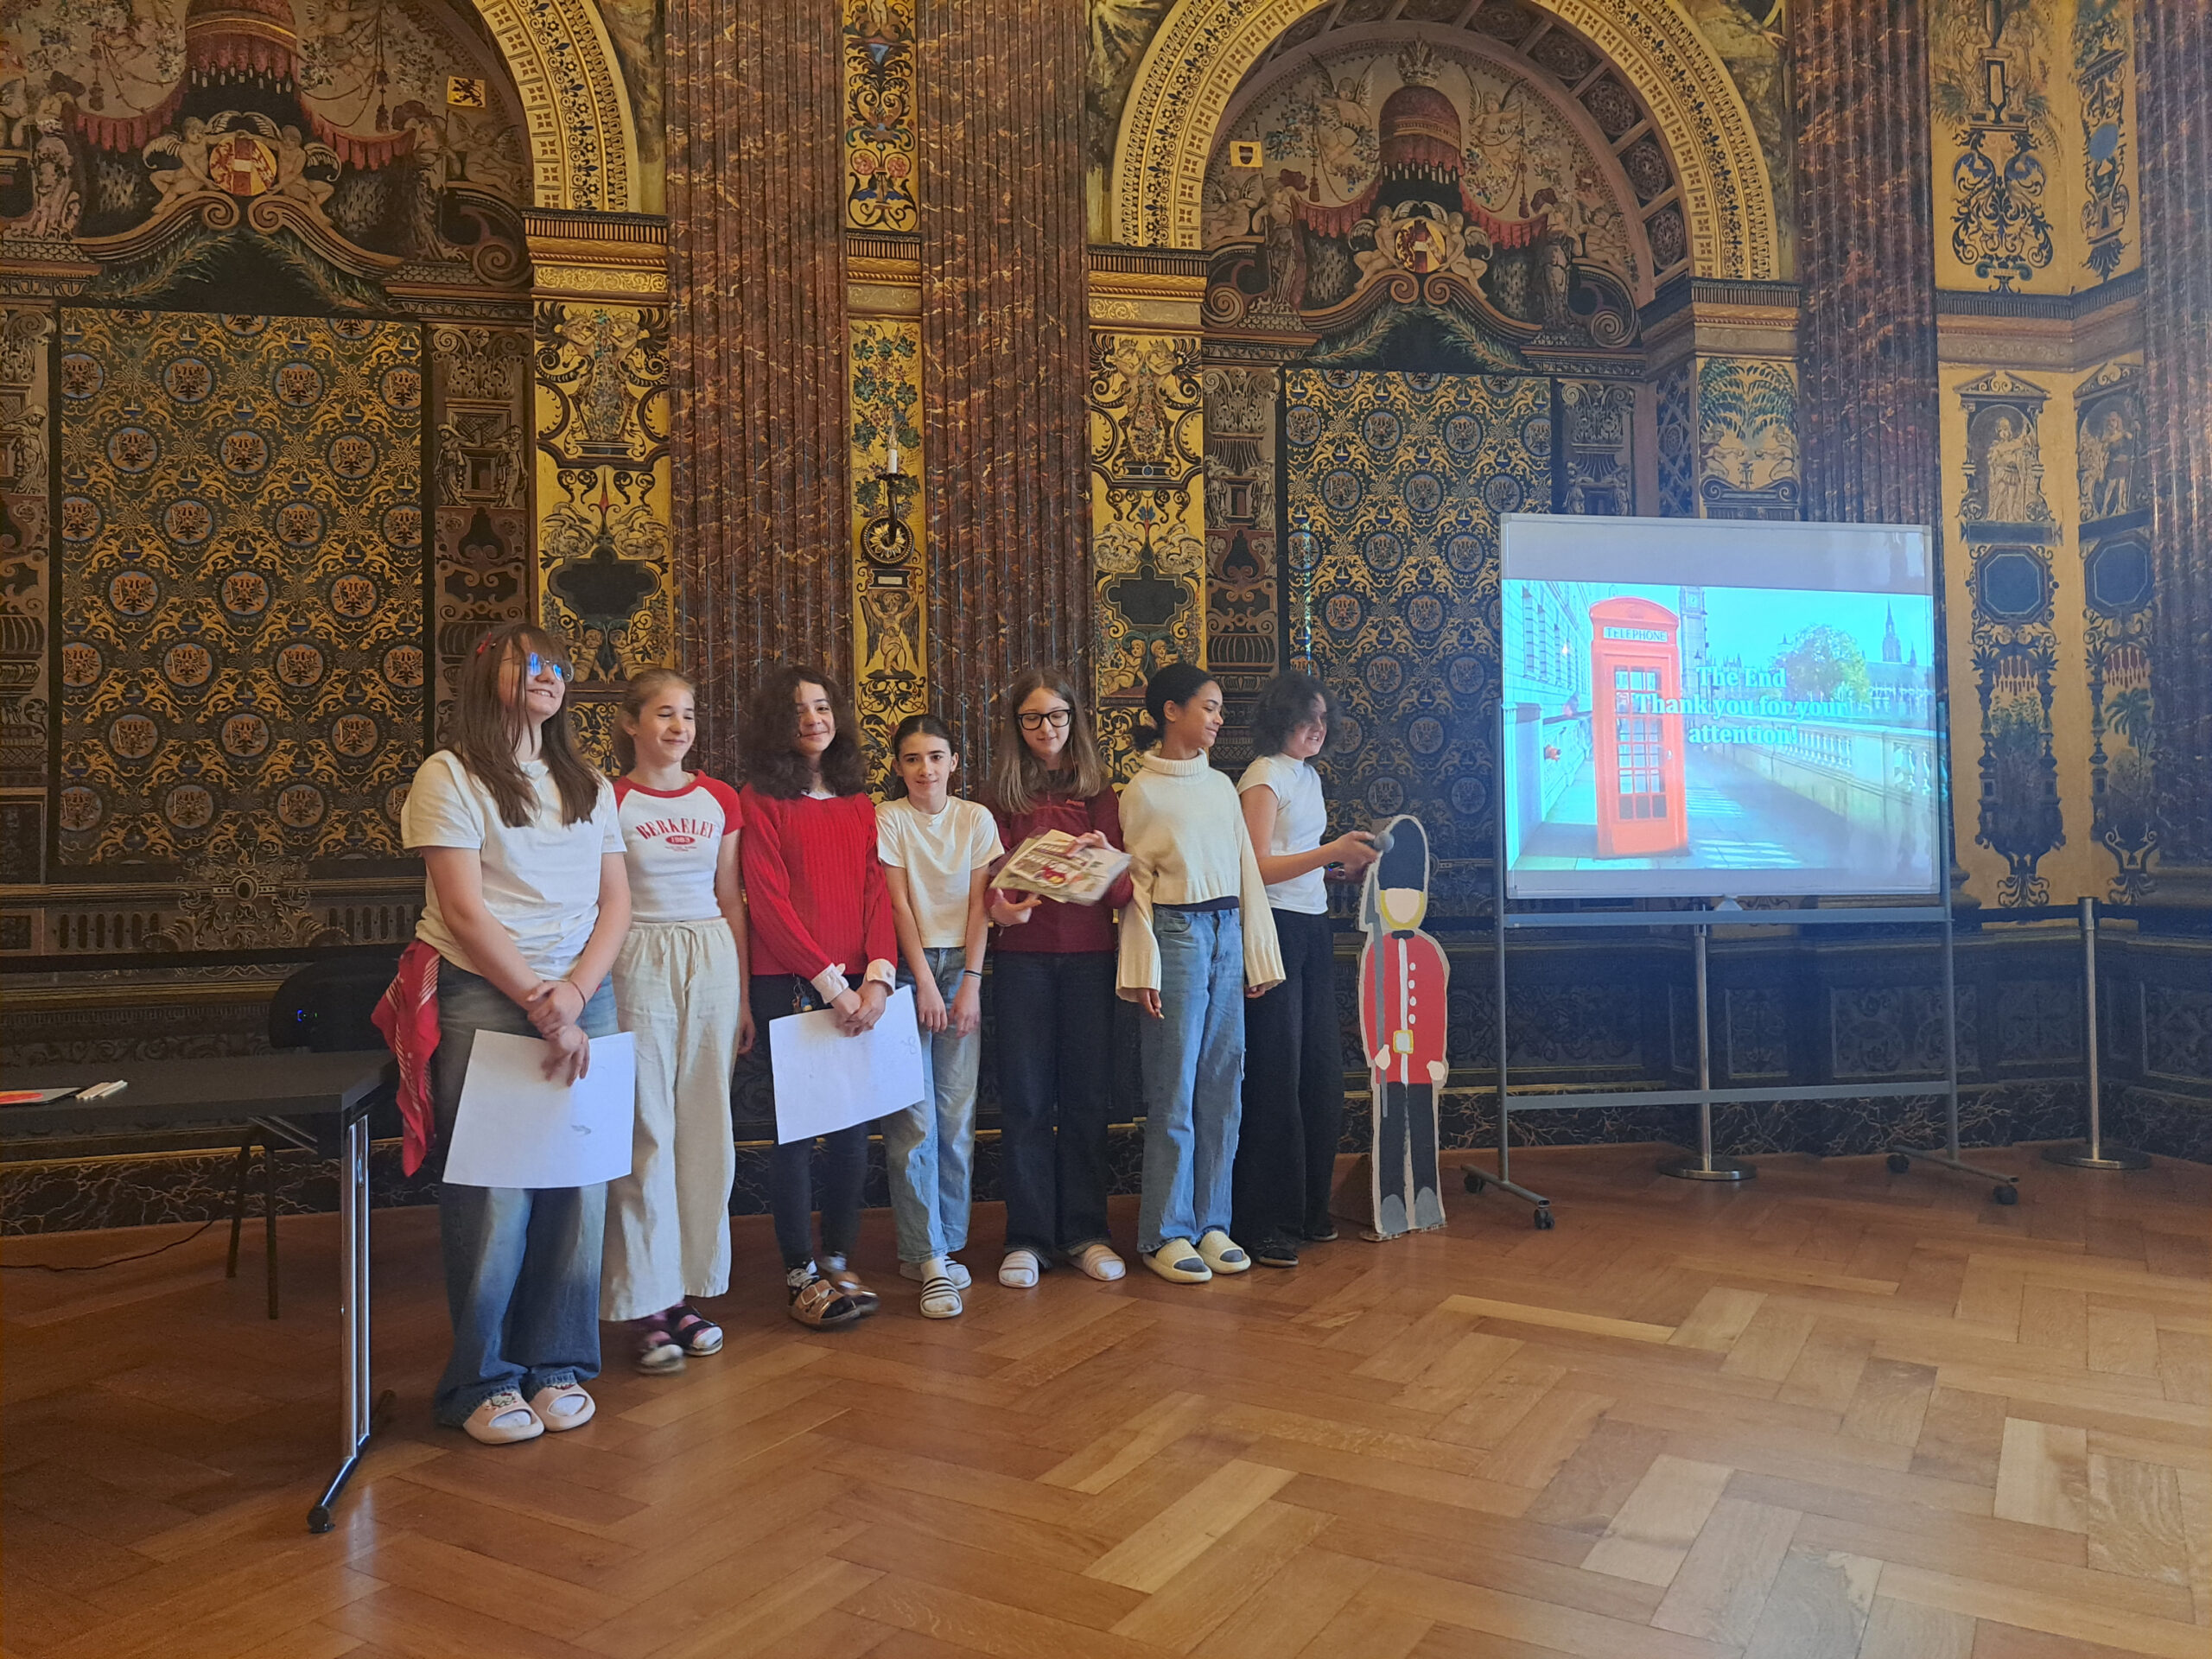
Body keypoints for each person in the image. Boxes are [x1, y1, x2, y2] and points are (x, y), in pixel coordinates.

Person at [401, 622, 630, 1445]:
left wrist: (576, 993)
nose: (548, 674)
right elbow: (463, 909)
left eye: (557, 665)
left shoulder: (588, 780)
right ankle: (482, 1381)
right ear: (483, 676)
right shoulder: (449, 774)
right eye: (527, 662)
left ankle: (557, 1363)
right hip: (488, 992)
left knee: (579, 1185)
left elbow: (617, 902)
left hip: (581, 996)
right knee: (495, 1193)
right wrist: (540, 1000)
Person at [601, 669, 752, 1372]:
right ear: (632, 723)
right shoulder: (611, 799)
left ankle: (686, 1289)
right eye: (664, 713)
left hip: (710, 955)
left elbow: (731, 895)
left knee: (703, 1123)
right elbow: (604, 898)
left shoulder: (720, 798)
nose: (679, 727)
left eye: (688, 714)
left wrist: (742, 994)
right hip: (639, 955)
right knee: (647, 1128)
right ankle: (644, 1300)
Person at [1117, 663, 1282, 1284]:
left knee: (1222, 1084)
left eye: (1219, 709)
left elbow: (1245, 871)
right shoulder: (1140, 792)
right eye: (1208, 707)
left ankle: (1213, 1221)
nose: (1218, 718)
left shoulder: (1220, 786)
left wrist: (1259, 955)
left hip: (1227, 932)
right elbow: (1135, 888)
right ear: (1171, 711)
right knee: (1175, 1086)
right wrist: (1142, 968)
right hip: (1176, 934)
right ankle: (1165, 1231)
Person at [741, 665, 895, 1328]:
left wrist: (878, 977)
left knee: (854, 1134)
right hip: (793, 984)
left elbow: (876, 890)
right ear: (778, 723)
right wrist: (832, 985)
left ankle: (837, 1257)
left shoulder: (859, 802)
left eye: (823, 706)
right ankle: (799, 1269)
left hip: (858, 987)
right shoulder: (760, 799)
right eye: (800, 709)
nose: (814, 719)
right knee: (798, 1136)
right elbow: (769, 903)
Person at [986, 668, 1133, 1290]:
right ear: (1016, 727)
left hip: (1091, 959)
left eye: (1056, 716)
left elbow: (1124, 893)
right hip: (1020, 960)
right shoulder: (997, 797)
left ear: (1074, 720)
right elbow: (986, 887)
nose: (1045, 728)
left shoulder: (1102, 795)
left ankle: (1086, 1233)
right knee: (1023, 1101)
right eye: (1032, 718)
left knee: (1086, 1099)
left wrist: (1104, 859)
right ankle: (1026, 1237)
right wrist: (999, 905)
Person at [1230, 672, 1380, 1268]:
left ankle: (1310, 1207)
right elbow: (1255, 867)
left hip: (1314, 928)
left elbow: (1297, 862)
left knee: (1319, 1075)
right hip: (1272, 930)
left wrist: (1337, 870)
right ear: (1281, 719)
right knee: (1276, 1075)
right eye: (1306, 718)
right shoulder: (1263, 776)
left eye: (1323, 720)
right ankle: (1265, 1220)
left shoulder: (1308, 776)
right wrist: (1331, 852)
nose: (1317, 729)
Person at [877, 714, 1003, 1319]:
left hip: (963, 967)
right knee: (913, 1120)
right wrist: (923, 983)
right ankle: (927, 1254)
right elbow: (898, 905)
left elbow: (981, 904)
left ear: (954, 761)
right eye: (912, 759)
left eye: (935, 757)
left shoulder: (975, 819)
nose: (925, 769)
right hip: (910, 971)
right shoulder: (889, 817)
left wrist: (969, 984)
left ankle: (943, 1245)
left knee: (955, 1116)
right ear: (899, 767)